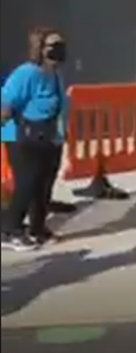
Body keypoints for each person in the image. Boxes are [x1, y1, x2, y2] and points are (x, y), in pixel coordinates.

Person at [1, 27, 68, 251]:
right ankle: (9, 230)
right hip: (22, 137)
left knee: (44, 184)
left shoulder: (56, 75)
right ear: (40, 49)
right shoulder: (27, 73)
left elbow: (58, 108)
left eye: (61, 45)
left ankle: (37, 229)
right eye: (53, 46)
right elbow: (6, 103)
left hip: (48, 137)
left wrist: (61, 137)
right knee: (27, 183)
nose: (59, 50)